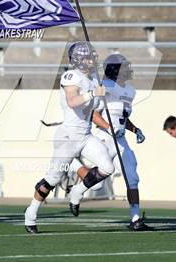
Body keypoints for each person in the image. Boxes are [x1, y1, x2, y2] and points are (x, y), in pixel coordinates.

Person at [24, 41, 114, 234]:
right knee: (52, 179)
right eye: (89, 56)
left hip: (85, 135)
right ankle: (30, 214)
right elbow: (73, 101)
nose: (93, 59)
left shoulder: (92, 80)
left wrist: (103, 98)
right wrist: (93, 93)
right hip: (68, 137)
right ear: (79, 60)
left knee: (108, 167)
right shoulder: (71, 76)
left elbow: (92, 111)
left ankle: (77, 191)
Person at [68, 52, 153, 231]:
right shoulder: (104, 86)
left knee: (132, 177)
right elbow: (93, 112)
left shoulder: (130, 90)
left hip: (121, 140)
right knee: (99, 180)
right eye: (124, 66)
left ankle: (135, 218)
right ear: (115, 70)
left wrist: (135, 130)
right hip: (105, 137)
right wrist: (108, 127)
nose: (128, 69)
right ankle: (77, 190)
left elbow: (122, 117)